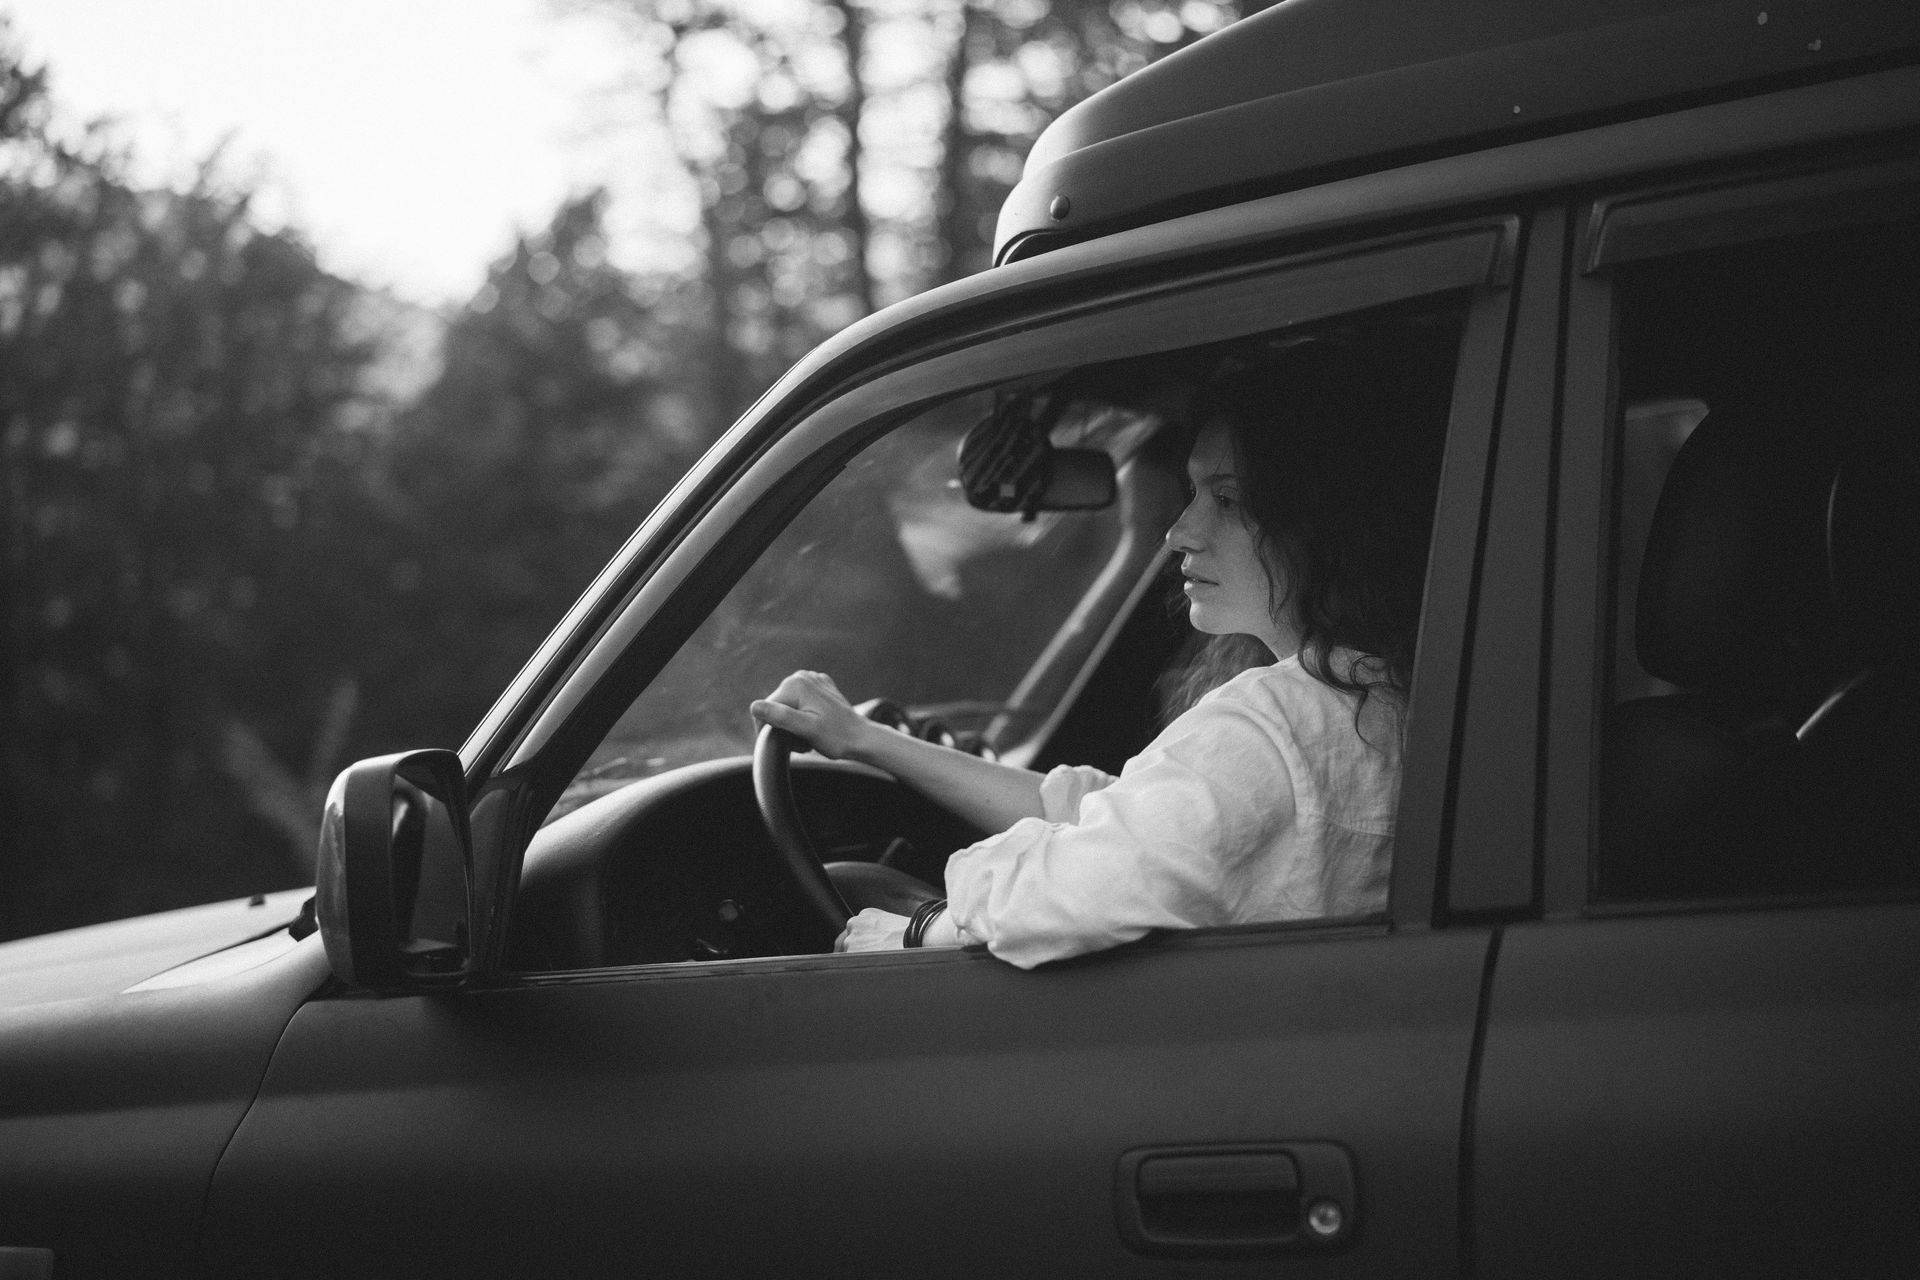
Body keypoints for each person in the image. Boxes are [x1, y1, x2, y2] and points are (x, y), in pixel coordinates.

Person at [750, 354, 1438, 968]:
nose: (1179, 532)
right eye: (1193, 493)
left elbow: (1073, 890)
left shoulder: (1276, 724)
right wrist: (870, 742)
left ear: (1320, 522)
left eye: (1228, 500)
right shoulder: (1379, 701)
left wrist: (924, 928)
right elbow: (1110, 815)